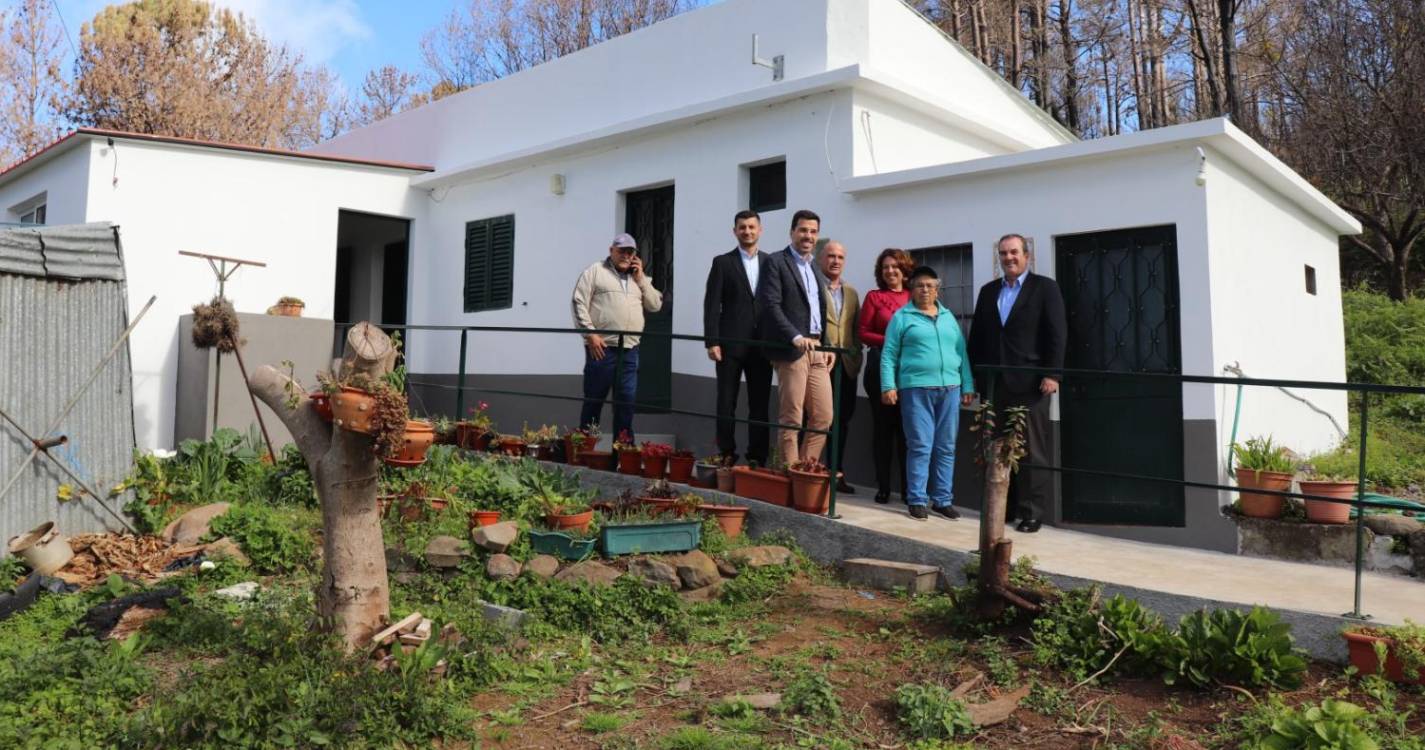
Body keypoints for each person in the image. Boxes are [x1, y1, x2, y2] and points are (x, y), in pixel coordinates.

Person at [967, 234, 1066, 533]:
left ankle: (1031, 512)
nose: (1008, 258)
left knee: (1031, 449)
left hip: (1031, 383)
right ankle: (1004, 507)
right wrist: (973, 378)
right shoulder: (988, 291)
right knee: (996, 447)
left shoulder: (1045, 288)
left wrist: (1053, 374)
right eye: (1003, 253)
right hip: (995, 385)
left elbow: (1057, 333)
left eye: (1014, 252)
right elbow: (978, 338)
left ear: (1027, 256)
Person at [880, 266, 975, 521]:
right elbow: (889, 354)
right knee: (920, 445)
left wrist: (967, 385)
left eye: (930, 285)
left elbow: (961, 353)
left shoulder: (948, 317)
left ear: (937, 289)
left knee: (946, 446)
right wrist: (888, 385)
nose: (925, 289)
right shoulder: (902, 317)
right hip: (916, 389)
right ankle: (918, 499)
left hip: (950, 389)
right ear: (912, 289)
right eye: (920, 285)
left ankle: (942, 500)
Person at [757, 209, 833, 466]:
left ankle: (804, 470)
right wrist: (794, 336)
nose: (808, 236)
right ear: (792, 232)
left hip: (817, 347)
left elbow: (819, 309)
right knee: (792, 417)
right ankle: (788, 475)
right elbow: (770, 304)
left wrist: (828, 345)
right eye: (803, 230)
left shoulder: (814, 265)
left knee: (823, 416)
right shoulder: (776, 262)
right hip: (792, 348)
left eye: (813, 231)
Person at [571, 232, 663, 440]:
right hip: (602, 348)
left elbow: (655, 305)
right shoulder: (595, 271)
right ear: (611, 250)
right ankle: (588, 442)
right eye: (621, 250)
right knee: (595, 401)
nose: (626, 255)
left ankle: (622, 450)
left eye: (630, 252)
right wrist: (590, 335)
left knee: (626, 405)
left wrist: (641, 280)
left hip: (630, 350)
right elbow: (578, 303)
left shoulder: (639, 279)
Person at [703, 210, 773, 466]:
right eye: (742, 227)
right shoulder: (722, 262)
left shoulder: (770, 263)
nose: (747, 231)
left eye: (752, 227)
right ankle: (726, 453)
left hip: (761, 345)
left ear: (760, 230)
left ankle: (757, 456)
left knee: (760, 404)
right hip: (729, 344)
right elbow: (712, 304)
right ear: (735, 231)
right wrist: (711, 341)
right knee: (726, 401)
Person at [857, 248, 915, 504]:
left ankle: (907, 488)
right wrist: (893, 341)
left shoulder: (915, 296)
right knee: (883, 429)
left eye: (895, 266)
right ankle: (883, 486)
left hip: (911, 373)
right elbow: (863, 332)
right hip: (880, 369)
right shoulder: (874, 297)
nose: (890, 271)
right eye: (885, 268)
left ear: (904, 270)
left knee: (907, 432)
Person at [817, 240, 861, 492]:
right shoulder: (812, 286)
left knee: (841, 421)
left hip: (846, 367)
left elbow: (856, 330)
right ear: (821, 259)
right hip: (819, 364)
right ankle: (807, 471)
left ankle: (836, 474)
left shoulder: (852, 292)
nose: (835, 261)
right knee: (814, 420)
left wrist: (855, 357)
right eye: (831, 256)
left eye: (840, 257)